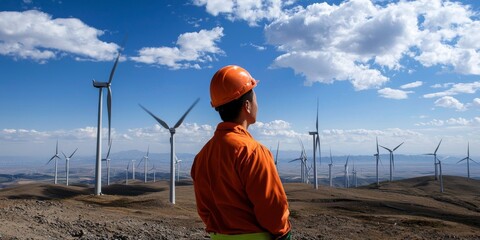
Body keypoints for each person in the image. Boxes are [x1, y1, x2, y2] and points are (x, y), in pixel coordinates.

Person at [191, 65, 291, 240]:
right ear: (247, 105)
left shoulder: (202, 156)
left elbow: (205, 211)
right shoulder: (253, 152)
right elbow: (273, 211)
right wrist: (284, 233)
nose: (257, 105)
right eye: (255, 99)